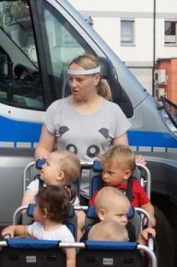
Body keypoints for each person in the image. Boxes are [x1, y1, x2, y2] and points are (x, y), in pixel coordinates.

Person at [34, 54, 135, 199]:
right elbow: (43, 147)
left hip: (102, 188)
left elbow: (122, 152)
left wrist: (132, 159)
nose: (73, 84)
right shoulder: (56, 108)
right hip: (64, 188)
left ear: (96, 79)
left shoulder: (113, 112)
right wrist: (47, 164)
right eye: (71, 79)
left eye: (79, 80)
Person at [1, 185, 77, 267]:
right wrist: (13, 229)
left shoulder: (64, 234)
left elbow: (70, 258)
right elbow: (24, 230)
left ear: (45, 213)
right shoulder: (37, 226)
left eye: (36, 206)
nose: (33, 209)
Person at [89, 145, 155, 226]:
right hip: (105, 228)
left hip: (130, 226)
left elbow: (147, 205)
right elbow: (92, 209)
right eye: (103, 171)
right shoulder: (102, 189)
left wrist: (150, 215)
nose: (104, 176)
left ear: (126, 174)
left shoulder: (136, 186)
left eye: (110, 173)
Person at [82, 186, 155, 246]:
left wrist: (141, 238)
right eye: (120, 215)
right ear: (102, 214)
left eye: (126, 215)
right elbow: (82, 253)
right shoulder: (91, 231)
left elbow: (134, 253)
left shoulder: (128, 230)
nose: (125, 219)